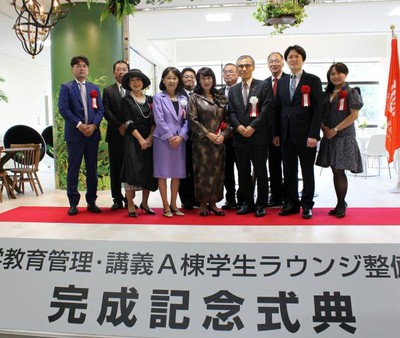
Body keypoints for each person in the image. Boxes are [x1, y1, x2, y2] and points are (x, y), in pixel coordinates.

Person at [273, 45, 322, 219]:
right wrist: (276, 133)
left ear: (303, 59)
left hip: (306, 135)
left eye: (297, 56)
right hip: (286, 135)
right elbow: (278, 109)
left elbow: (317, 110)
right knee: (289, 171)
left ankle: (307, 205)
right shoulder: (283, 81)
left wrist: (314, 135)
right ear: (286, 61)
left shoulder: (313, 80)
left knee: (307, 171)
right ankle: (292, 203)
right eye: (290, 57)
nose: (293, 59)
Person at [316, 62, 363, 218]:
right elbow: (320, 115)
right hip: (329, 136)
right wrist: (324, 128)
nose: (335, 77)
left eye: (338, 73)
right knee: (335, 170)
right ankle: (340, 202)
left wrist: (336, 129)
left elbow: (354, 115)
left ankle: (341, 203)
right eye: (332, 74)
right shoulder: (326, 94)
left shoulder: (351, 92)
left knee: (339, 170)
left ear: (346, 74)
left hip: (344, 136)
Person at [58, 55, 104, 216]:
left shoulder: (94, 88)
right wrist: (79, 125)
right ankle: (73, 203)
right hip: (75, 136)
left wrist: (93, 125)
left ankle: (92, 201)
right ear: (72, 69)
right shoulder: (66, 87)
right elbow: (63, 109)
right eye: (78, 66)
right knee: (74, 169)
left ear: (88, 69)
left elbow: (100, 110)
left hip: (92, 135)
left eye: (84, 65)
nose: (81, 68)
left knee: (92, 169)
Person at [228, 55, 273, 217]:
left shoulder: (264, 85)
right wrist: (239, 127)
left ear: (253, 67)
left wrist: (252, 127)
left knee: (261, 171)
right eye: (240, 66)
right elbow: (231, 112)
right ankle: (247, 202)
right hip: (240, 138)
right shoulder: (233, 90)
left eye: (247, 65)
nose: (244, 69)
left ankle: (261, 204)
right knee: (243, 172)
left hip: (258, 137)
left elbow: (267, 109)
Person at [188, 67, 228, 216]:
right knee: (202, 174)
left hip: (219, 143)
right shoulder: (194, 97)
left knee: (217, 173)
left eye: (209, 77)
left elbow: (227, 120)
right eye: (203, 78)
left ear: (213, 79)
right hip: (201, 144)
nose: (206, 81)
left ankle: (214, 202)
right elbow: (192, 119)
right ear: (199, 80)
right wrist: (208, 134)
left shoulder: (220, 97)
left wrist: (223, 134)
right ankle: (203, 203)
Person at [119, 69, 158, 218]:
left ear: (143, 83)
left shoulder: (150, 100)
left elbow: (155, 120)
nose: (136, 83)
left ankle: (145, 203)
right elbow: (127, 122)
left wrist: (150, 138)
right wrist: (141, 139)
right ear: (129, 84)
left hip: (149, 139)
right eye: (133, 80)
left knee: (148, 171)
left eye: (139, 80)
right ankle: (130, 204)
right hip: (132, 139)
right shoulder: (126, 100)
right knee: (132, 170)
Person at [153, 67, 189, 217]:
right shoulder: (158, 97)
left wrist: (181, 136)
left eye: (174, 78)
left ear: (178, 80)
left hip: (179, 141)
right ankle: (166, 205)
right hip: (163, 140)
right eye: (168, 78)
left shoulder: (184, 99)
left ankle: (174, 204)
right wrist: (169, 136)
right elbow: (159, 119)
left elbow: (188, 120)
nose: (172, 81)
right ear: (163, 80)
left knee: (176, 174)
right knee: (162, 174)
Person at [102, 60, 129, 210]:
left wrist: (128, 127)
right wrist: (119, 126)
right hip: (115, 135)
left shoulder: (133, 90)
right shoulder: (108, 90)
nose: (121, 72)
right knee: (116, 168)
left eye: (124, 69)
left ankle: (129, 198)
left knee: (129, 168)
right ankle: (117, 199)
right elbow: (106, 111)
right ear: (114, 73)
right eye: (118, 69)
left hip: (131, 135)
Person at [265, 52, 287, 207]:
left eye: (277, 61)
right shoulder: (264, 84)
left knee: (289, 166)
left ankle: (289, 195)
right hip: (269, 132)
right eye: (271, 61)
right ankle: (276, 196)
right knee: (273, 166)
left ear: (282, 63)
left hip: (287, 131)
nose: (274, 64)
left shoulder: (289, 80)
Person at [219, 63, 242, 210]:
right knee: (226, 170)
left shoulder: (244, 90)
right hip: (224, 137)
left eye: (231, 72)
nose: (228, 74)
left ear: (238, 74)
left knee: (242, 168)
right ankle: (230, 199)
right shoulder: (218, 93)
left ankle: (243, 198)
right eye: (226, 72)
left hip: (241, 135)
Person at [178, 67, 198, 210]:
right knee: (183, 169)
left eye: (191, 76)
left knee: (195, 168)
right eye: (186, 77)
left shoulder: (198, 94)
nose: (189, 79)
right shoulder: (176, 95)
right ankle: (185, 199)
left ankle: (196, 197)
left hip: (197, 138)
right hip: (181, 137)